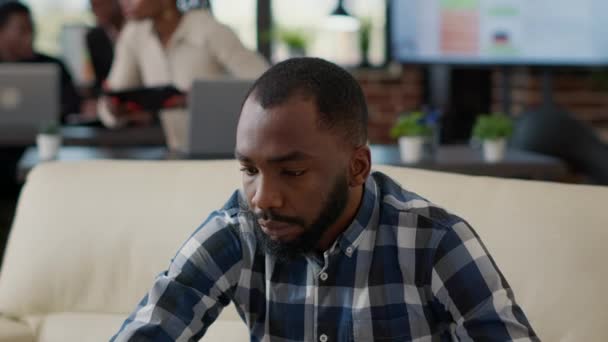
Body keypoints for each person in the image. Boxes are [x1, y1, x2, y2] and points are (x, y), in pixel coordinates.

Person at [112, 58, 538, 341]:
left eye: (292, 172)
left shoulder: (436, 243)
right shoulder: (239, 230)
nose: (263, 197)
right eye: (249, 170)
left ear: (357, 166)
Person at [99, 0, 269, 128]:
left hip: (225, 151)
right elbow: (111, 98)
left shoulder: (207, 28)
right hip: (176, 154)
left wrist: (197, 100)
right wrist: (114, 110)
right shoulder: (134, 34)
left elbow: (267, 85)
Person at [0, 1, 81, 123]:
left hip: (44, 137)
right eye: (22, 30)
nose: (30, 37)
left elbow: (73, 106)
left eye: (32, 29)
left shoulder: (53, 66)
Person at [86, 0, 124, 98]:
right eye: (93, 6)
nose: (96, 11)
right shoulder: (94, 38)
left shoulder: (135, 30)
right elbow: (99, 80)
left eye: (101, 5)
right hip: (110, 97)